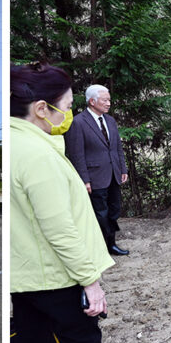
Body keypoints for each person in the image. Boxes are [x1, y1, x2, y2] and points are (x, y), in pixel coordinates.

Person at [10, 63, 114, 343]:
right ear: (42, 108)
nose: (69, 113)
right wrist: (90, 282)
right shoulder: (38, 155)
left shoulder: (20, 144)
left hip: (28, 275)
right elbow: (59, 229)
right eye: (67, 106)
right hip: (55, 277)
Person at [64, 84, 130, 256]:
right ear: (92, 101)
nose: (109, 103)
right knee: (100, 214)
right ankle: (100, 248)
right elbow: (77, 154)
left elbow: (117, 148)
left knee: (114, 210)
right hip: (94, 177)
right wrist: (84, 179)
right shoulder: (78, 122)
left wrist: (123, 168)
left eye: (109, 99)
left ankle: (111, 244)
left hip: (113, 174)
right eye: (105, 100)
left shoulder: (110, 121)